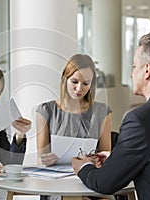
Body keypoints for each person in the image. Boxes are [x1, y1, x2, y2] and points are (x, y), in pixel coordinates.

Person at [71, 33, 150, 200]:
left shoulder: (140, 120)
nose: (131, 74)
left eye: (134, 66)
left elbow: (104, 183)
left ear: (147, 71)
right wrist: (118, 156)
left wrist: (83, 166)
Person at [36, 54, 112, 200]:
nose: (79, 88)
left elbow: (106, 156)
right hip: (57, 185)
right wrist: (46, 160)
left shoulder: (102, 112)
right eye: (74, 81)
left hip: (90, 181)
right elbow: (41, 159)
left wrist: (97, 160)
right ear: (65, 79)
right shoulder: (46, 110)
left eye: (86, 83)